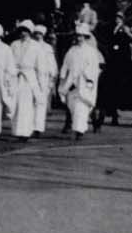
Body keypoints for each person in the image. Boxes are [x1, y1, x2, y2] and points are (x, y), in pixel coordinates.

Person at [57, 8, 105, 140]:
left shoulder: (91, 51)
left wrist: (87, 77)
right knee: (73, 106)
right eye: (77, 36)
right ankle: (77, 126)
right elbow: (65, 65)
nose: (79, 38)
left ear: (86, 37)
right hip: (71, 82)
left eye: (81, 36)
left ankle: (80, 130)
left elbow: (93, 68)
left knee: (81, 108)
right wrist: (63, 77)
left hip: (84, 82)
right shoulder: (71, 50)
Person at [31, 23, 59, 137]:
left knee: (41, 102)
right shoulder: (31, 46)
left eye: (40, 34)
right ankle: (30, 126)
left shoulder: (47, 48)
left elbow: (51, 64)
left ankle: (38, 127)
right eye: (36, 34)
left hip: (43, 77)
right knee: (31, 102)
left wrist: (52, 78)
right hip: (32, 76)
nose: (38, 36)